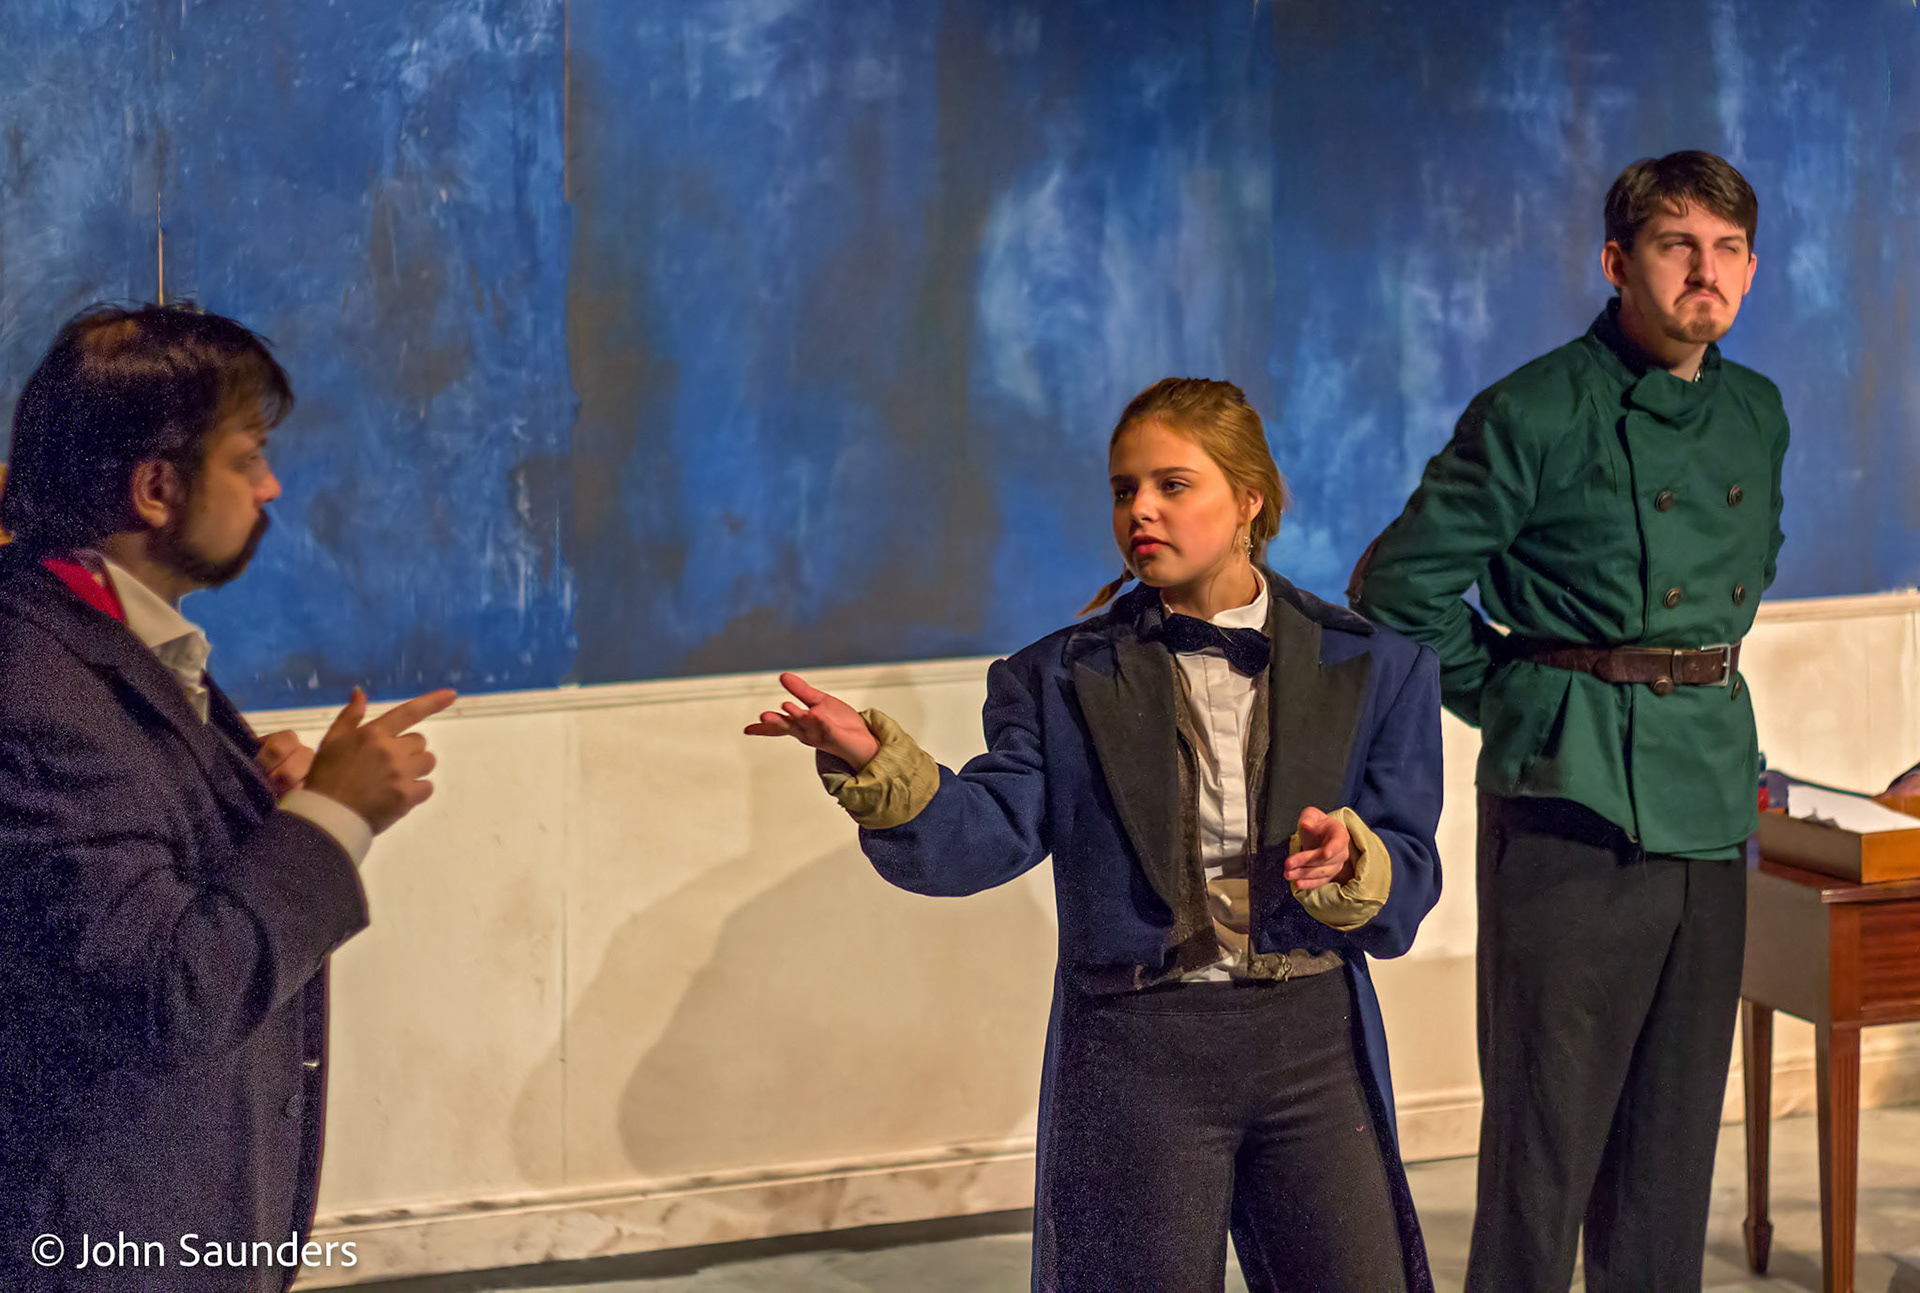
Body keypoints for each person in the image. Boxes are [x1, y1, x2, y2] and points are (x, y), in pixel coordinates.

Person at [748, 378, 1443, 1292]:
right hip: (1136, 1052)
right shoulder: (1059, 678)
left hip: (1312, 1046)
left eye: (1172, 485)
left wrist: (1357, 862)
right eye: (1124, 489)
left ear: (1249, 499)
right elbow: (982, 835)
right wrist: (881, 765)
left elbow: (1411, 871)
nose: (1140, 510)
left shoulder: (1374, 665)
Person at [1351, 150, 1790, 1292]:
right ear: (1617, 261)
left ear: (1751, 269)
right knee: (1542, 1162)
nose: (1706, 271)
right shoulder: (1536, 408)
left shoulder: (1756, 411)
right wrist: (1515, 698)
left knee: (1671, 1162)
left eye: (1729, 249)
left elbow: (1749, 573)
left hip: (1709, 800)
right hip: (1572, 805)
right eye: (1677, 245)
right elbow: (1398, 589)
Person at [0, 303, 456, 1291]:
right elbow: (170, 991)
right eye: (248, 458)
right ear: (157, 487)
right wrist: (332, 819)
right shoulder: (34, 682)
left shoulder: (99, 636)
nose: (270, 485)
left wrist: (262, 813)